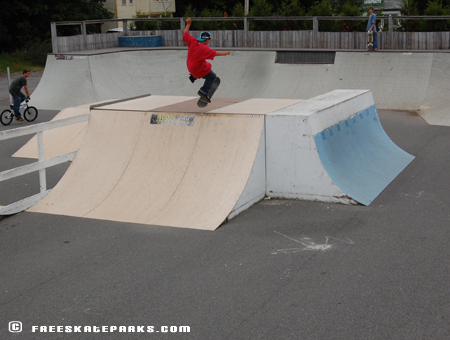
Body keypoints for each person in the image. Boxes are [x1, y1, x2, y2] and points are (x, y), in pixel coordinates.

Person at [183, 18, 230, 103]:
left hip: (190, 67)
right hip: (196, 69)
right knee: (212, 76)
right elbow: (214, 53)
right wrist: (225, 53)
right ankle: (203, 91)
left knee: (206, 65)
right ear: (207, 40)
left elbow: (185, 34)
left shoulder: (193, 41)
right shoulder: (204, 48)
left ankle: (193, 76)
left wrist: (188, 25)